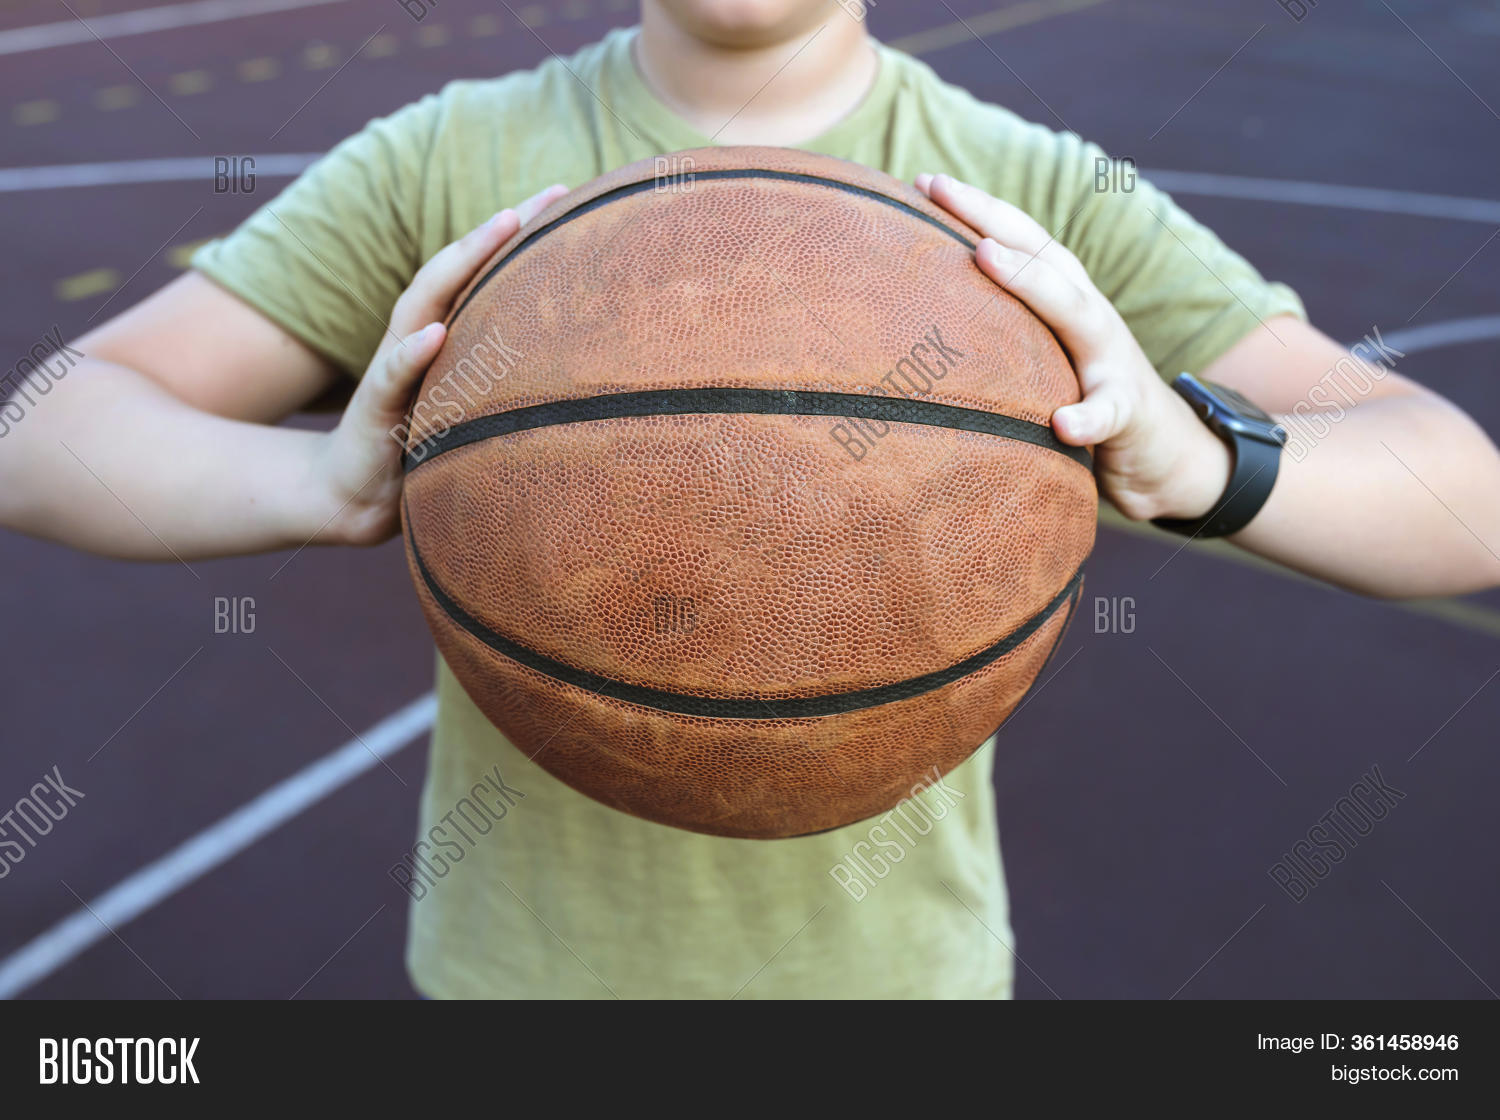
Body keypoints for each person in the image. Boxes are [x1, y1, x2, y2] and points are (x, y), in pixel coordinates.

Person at [3, 0, 1497, 999]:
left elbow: (1467, 499)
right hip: (522, 987)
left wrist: (1195, 455)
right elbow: (39, 427)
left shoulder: (1019, 188)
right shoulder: (453, 158)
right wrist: (319, 481)